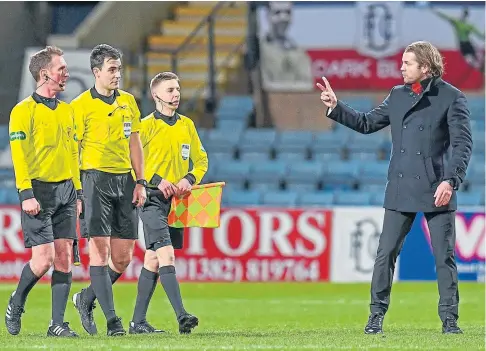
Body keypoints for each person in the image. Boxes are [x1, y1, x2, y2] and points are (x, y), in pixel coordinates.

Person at [317, 41, 472, 335]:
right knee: (385, 254)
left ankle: (450, 321)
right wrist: (336, 108)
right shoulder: (398, 95)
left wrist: (451, 181)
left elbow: (463, 145)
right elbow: (366, 123)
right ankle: (375, 317)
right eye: (402, 62)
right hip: (400, 188)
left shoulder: (452, 97)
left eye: (407, 63)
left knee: (444, 257)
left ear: (425, 67)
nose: (401, 67)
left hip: (436, 189)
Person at [70, 44, 147, 336]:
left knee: (123, 257)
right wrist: (77, 192)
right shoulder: (79, 106)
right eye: (111, 69)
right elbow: (73, 151)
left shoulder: (128, 101)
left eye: (119, 69)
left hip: (124, 181)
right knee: (99, 254)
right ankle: (113, 321)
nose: (117, 74)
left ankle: (85, 298)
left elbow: (134, 144)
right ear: (96, 72)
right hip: (93, 182)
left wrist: (140, 181)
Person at [5, 46, 82, 337]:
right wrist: (26, 193)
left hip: (66, 190)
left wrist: (78, 193)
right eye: (61, 68)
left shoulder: (67, 111)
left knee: (63, 259)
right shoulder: (23, 111)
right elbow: (19, 155)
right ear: (44, 73)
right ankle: (16, 300)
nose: (66, 73)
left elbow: (73, 153)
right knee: (43, 260)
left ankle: (57, 324)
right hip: (37, 191)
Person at [129, 72, 208, 334]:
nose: (176, 94)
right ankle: (182, 315)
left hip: (177, 202)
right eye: (170, 90)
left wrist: (189, 178)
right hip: (151, 198)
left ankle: (137, 322)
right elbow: (132, 162)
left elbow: (201, 160)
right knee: (167, 254)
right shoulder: (146, 126)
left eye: (178, 89)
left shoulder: (187, 125)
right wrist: (156, 179)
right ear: (156, 95)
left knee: (152, 259)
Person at [432, 7, 485, 72]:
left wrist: (436, 11)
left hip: (465, 44)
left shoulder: (464, 25)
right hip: (466, 44)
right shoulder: (463, 24)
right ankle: (480, 67)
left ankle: (481, 67)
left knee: (473, 58)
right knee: (472, 59)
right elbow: (481, 36)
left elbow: (481, 36)